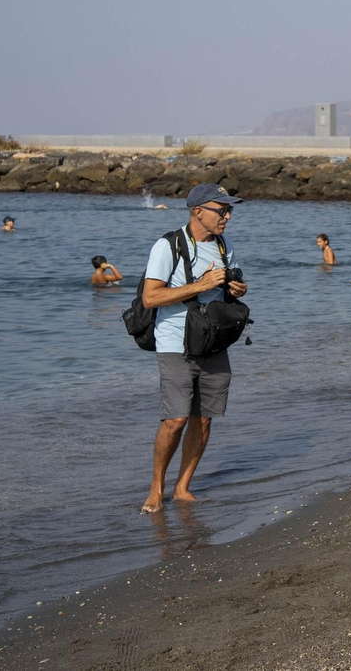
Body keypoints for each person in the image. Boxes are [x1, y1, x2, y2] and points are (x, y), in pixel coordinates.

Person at [140, 183, 249, 512]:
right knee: (175, 419)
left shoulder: (223, 245)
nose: (227, 216)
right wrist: (198, 286)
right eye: (222, 210)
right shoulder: (167, 246)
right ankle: (155, 489)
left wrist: (236, 290)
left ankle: (183, 488)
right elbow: (150, 297)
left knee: (204, 420)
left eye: (229, 210)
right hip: (174, 341)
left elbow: (222, 293)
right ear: (198, 211)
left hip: (213, 342)